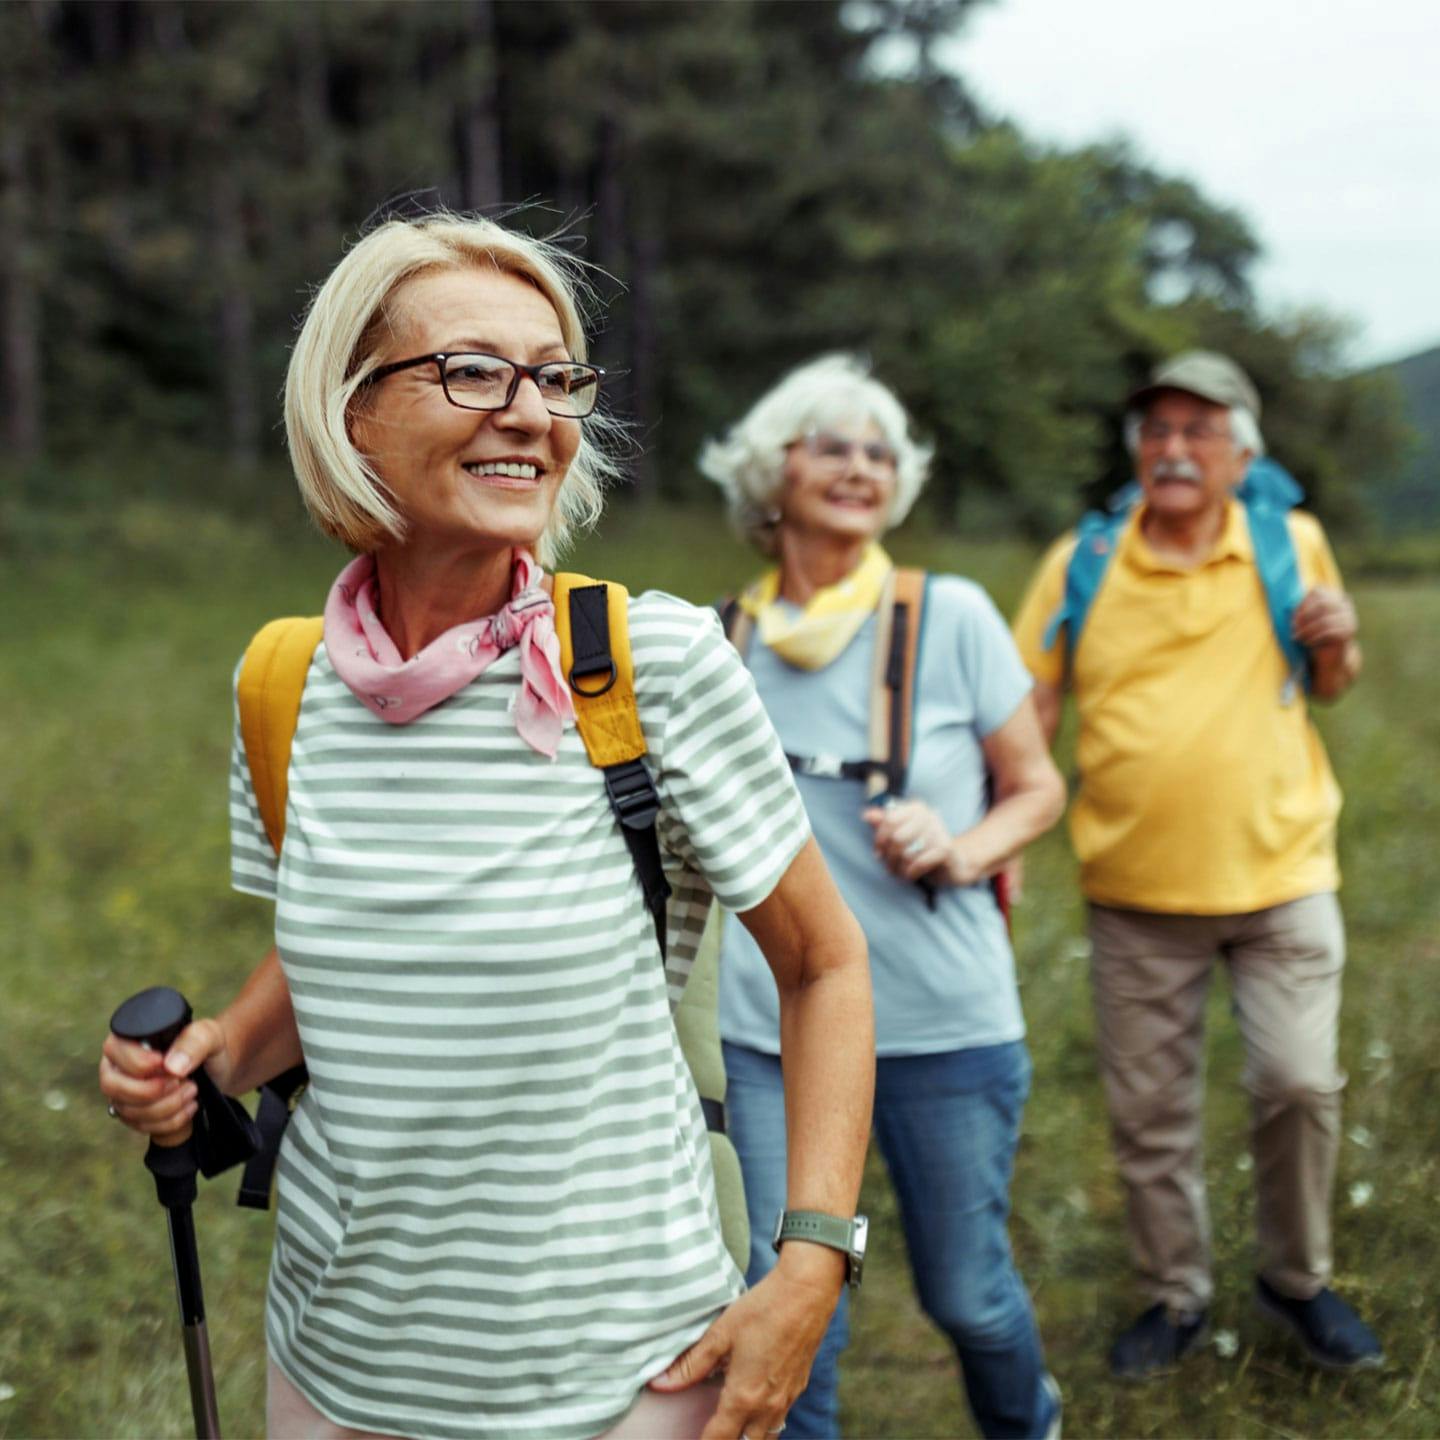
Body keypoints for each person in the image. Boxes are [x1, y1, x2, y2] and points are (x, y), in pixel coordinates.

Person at [98, 212, 876, 1440]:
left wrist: (814, 1262)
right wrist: (213, 1055)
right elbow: (337, 955)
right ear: (353, 412)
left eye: (556, 377)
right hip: (335, 1363)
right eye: (472, 370)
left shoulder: (653, 666)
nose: (529, 412)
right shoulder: (284, 684)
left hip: (621, 1379)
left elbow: (825, 963)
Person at [701, 354, 1067, 1440]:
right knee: (790, 1310)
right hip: (771, 1036)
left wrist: (960, 847)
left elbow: (1039, 788)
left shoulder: (949, 615)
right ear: (773, 474)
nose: (861, 468)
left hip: (942, 1025)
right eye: (832, 445)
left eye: (879, 452)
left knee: (968, 1293)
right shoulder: (719, 643)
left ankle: (1027, 1425)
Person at [1011, 350, 1382, 1380]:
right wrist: (999, 836)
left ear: (1243, 452)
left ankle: (1295, 1280)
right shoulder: (1082, 560)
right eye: (1158, 431)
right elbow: (1030, 710)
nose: (1175, 449)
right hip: (1134, 894)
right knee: (1150, 1116)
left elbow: (1333, 679)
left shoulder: (1290, 539)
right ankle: (1176, 1295)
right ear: (1139, 452)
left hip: (1285, 876)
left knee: (1300, 1085)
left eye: (1200, 431)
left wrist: (1341, 640)